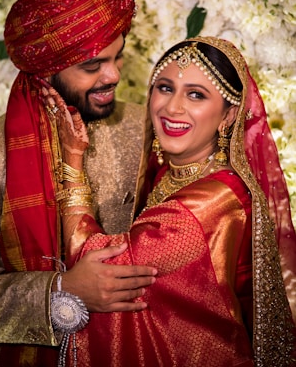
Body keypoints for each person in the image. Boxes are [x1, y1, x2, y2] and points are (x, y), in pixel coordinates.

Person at [43, 36, 296, 366]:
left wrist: (73, 163)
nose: (172, 107)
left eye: (196, 94)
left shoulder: (209, 203)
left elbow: (104, 273)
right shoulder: (170, 172)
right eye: (164, 88)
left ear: (230, 116)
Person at [0, 0, 157, 367]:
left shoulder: (142, 126)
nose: (114, 74)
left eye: (117, 57)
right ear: (46, 69)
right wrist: (62, 290)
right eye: (93, 65)